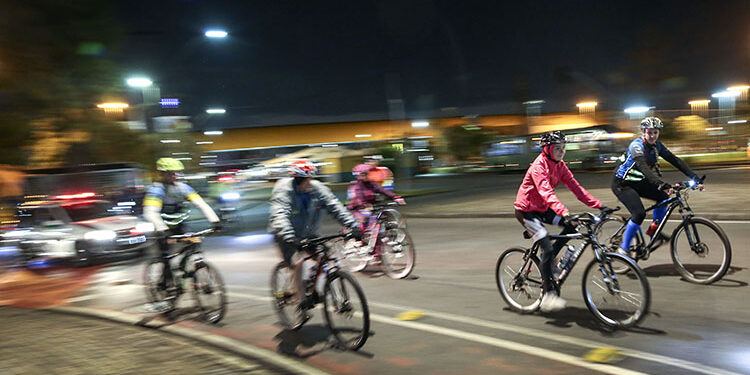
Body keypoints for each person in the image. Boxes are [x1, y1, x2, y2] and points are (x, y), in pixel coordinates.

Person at [514, 131, 604, 312]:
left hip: (543, 209)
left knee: (571, 226)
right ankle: (548, 295)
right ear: (547, 149)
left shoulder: (560, 165)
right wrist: (565, 212)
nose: (562, 151)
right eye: (557, 148)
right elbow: (546, 192)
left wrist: (599, 205)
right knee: (546, 244)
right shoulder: (539, 167)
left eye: (564, 148)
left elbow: (576, 188)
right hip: (527, 211)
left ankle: (549, 262)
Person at [268, 159, 363, 323]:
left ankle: (311, 287)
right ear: (296, 180)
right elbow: (280, 214)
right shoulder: (284, 190)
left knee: (325, 257)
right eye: (305, 180)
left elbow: (335, 206)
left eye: (311, 178)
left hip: (309, 234)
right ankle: (302, 302)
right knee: (297, 263)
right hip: (286, 235)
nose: (309, 183)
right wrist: (290, 237)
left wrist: (353, 226)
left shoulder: (317, 189)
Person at [612, 117, 703, 257]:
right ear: (643, 132)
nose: (653, 135)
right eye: (649, 132)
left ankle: (654, 230)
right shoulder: (636, 146)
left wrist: (694, 177)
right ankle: (623, 250)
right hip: (622, 184)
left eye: (655, 132)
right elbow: (644, 168)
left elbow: (675, 161)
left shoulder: (657, 146)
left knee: (663, 198)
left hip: (639, 182)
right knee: (639, 214)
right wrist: (661, 184)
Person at [143, 158, 222, 295]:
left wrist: (215, 221)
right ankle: (166, 287)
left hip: (180, 225)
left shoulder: (183, 188)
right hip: (162, 229)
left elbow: (201, 204)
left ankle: (184, 269)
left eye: (176, 173)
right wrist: (163, 229)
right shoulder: (156, 190)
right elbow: (150, 212)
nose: (174, 176)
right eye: (170, 173)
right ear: (162, 174)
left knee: (194, 242)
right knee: (166, 257)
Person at [347, 164, 405, 253]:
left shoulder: (371, 184)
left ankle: (379, 249)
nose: (366, 176)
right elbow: (357, 198)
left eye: (367, 174)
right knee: (365, 221)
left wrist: (395, 197)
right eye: (364, 174)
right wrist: (364, 205)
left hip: (370, 208)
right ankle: (359, 241)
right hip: (358, 209)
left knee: (380, 223)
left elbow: (382, 190)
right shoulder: (356, 186)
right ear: (358, 175)